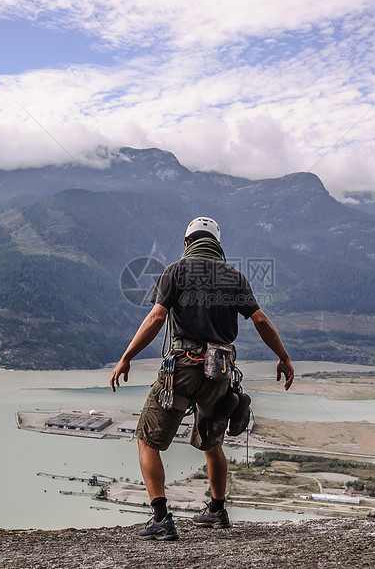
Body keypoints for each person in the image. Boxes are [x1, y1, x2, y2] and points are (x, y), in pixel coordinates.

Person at [109, 216, 295, 541]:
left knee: (147, 439)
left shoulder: (175, 271)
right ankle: (217, 510)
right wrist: (283, 357)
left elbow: (156, 317)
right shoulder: (234, 277)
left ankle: (161, 517)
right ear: (218, 247)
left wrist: (127, 357)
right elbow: (261, 320)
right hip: (220, 374)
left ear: (187, 243)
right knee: (212, 444)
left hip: (181, 369)